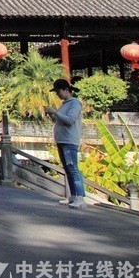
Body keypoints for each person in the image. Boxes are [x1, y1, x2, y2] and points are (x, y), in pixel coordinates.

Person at [45, 78, 86, 210]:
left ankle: (80, 197)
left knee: (73, 168)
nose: (57, 94)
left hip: (69, 141)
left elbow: (69, 120)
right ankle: (73, 195)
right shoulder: (64, 104)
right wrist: (52, 114)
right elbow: (58, 121)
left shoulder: (75, 104)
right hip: (61, 140)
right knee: (67, 169)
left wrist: (55, 112)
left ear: (66, 90)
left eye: (58, 91)